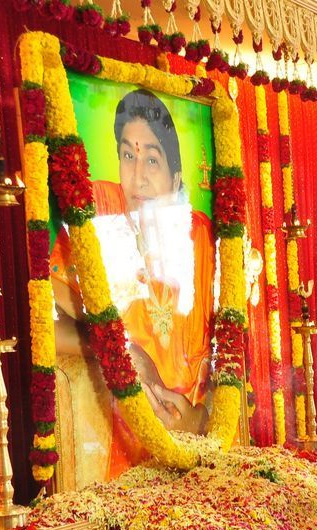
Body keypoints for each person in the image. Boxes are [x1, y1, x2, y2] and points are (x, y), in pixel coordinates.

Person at [50, 88, 215, 480]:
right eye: (128, 155)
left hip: (196, 451)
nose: (137, 176)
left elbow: (226, 349)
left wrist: (199, 418)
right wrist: (124, 353)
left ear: (177, 180)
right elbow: (47, 320)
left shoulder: (199, 238)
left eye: (152, 160)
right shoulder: (102, 212)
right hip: (118, 451)